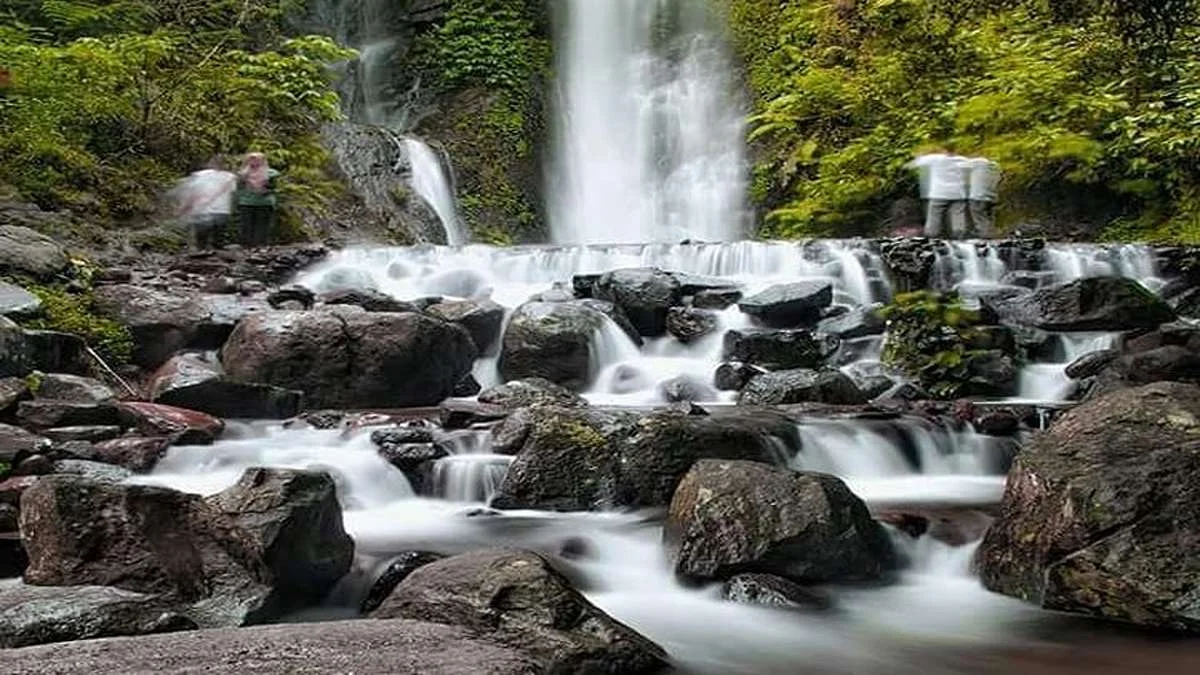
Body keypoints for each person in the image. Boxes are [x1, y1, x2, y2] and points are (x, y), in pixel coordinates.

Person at [907, 148, 969, 238]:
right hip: (958, 193)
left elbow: (913, 165)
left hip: (939, 193)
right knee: (958, 216)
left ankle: (932, 237)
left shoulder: (935, 158)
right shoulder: (963, 160)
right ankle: (959, 238)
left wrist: (919, 156)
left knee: (934, 217)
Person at [176, 157, 236, 250]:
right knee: (218, 239)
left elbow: (192, 193)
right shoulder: (230, 177)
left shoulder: (198, 175)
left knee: (202, 239)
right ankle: (216, 257)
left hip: (202, 209)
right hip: (222, 210)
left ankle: (201, 254)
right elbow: (232, 193)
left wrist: (184, 207)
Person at [236, 152, 280, 246]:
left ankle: (260, 245)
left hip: (264, 202)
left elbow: (274, 187)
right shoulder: (243, 174)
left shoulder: (270, 173)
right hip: (247, 202)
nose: (254, 162)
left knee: (262, 225)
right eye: (251, 159)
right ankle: (246, 245)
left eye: (257, 159)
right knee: (246, 225)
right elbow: (238, 187)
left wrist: (266, 189)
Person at [966, 156, 1000, 237]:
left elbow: (960, 166)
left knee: (980, 218)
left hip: (978, 197)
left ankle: (985, 237)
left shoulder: (977, 163)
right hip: (992, 197)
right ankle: (992, 236)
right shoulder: (995, 167)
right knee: (989, 218)